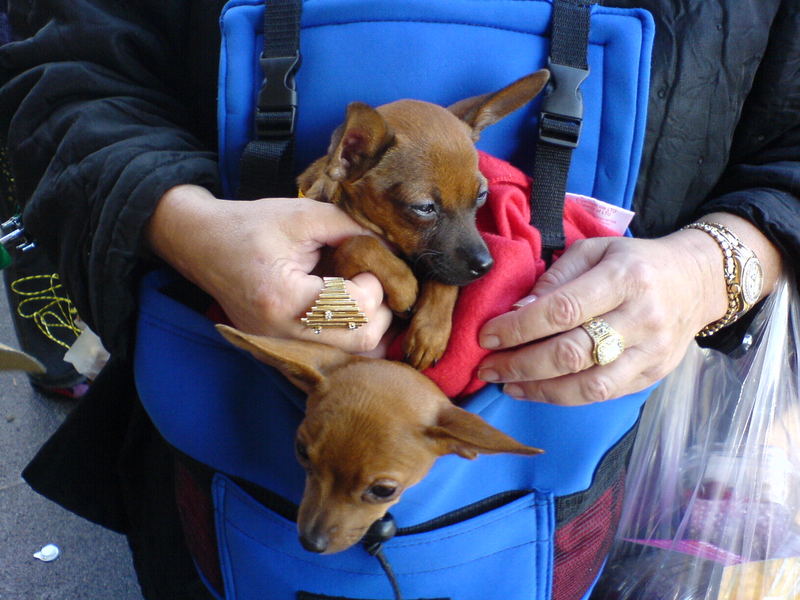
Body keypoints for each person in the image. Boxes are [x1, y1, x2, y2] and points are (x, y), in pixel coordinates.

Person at [0, 0, 797, 598]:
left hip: (567, 489)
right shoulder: (361, 173)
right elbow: (58, 73)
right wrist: (181, 222)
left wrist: (718, 263)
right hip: (223, 469)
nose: (475, 248)